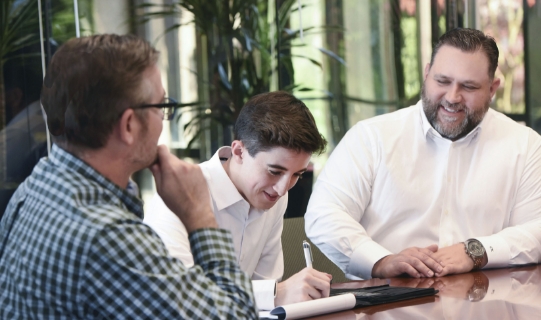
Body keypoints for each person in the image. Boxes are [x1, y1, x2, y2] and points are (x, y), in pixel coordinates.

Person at [0, 34, 257, 319]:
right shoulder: (108, 237)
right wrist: (199, 214)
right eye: (161, 107)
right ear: (129, 125)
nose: (163, 120)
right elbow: (237, 315)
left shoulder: (34, 187)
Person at [305, 28, 541, 281]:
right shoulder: (371, 138)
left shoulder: (525, 145)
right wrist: (381, 261)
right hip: (386, 304)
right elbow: (324, 213)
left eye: (469, 87)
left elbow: (536, 228)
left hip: (489, 302)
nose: (452, 97)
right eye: (442, 81)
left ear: (492, 89)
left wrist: (476, 251)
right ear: (426, 74)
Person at [144, 91, 331, 310]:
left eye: (296, 175)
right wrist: (274, 294)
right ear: (239, 151)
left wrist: (273, 294)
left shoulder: (274, 195)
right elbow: (177, 295)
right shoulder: (179, 193)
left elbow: (265, 284)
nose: (282, 188)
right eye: (274, 171)